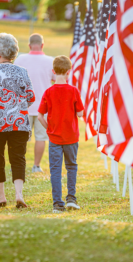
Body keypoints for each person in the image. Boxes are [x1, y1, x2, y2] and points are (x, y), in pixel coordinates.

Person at [0, 33, 35, 208]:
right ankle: (19, 194)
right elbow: (31, 96)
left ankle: (1, 197)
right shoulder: (22, 71)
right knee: (18, 157)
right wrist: (17, 104)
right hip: (19, 121)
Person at [37, 55, 84, 213]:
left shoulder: (48, 92)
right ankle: (71, 198)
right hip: (71, 137)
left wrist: (49, 128)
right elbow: (80, 114)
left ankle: (58, 203)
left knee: (55, 170)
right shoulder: (73, 91)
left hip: (54, 138)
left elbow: (39, 116)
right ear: (69, 72)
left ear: (53, 71)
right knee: (71, 166)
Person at [14, 33, 55, 173]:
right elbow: (57, 79)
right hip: (42, 108)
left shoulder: (20, 59)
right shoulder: (50, 61)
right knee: (41, 138)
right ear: (42, 45)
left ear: (29, 45)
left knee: (21, 139)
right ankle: (36, 166)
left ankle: (20, 165)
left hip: (23, 105)